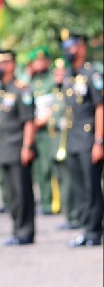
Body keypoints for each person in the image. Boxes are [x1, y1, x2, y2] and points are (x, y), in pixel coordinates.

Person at [59, 31, 103, 247]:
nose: (68, 50)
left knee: (91, 187)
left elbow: (100, 108)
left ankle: (95, 231)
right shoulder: (70, 76)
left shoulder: (92, 74)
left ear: (82, 47)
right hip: (73, 139)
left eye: (72, 46)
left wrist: (99, 141)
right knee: (78, 187)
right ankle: (86, 229)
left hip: (88, 138)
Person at [0, 48, 36, 245]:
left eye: (2, 64)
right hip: (4, 148)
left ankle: (25, 231)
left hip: (18, 147)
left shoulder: (21, 89)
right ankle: (17, 229)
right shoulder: (1, 91)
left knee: (22, 191)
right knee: (11, 194)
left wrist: (27, 146)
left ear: (11, 65)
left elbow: (29, 121)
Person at [29, 46, 61, 215]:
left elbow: (56, 104)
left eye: (42, 60)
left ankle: (55, 202)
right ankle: (46, 201)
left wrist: (42, 120)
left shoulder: (53, 80)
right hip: (36, 132)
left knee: (51, 167)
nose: (39, 63)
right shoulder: (31, 82)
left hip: (50, 130)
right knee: (40, 168)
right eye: (36, 60)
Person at [51, 58, 81, 231]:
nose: (58, 76)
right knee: (63, 182)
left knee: (71, 183)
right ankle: (69, 216)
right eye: (56, 73)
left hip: (70, 142)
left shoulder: (70, 91)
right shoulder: (58, 92)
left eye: (61, 73)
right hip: (57, 143)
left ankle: (76, 217)